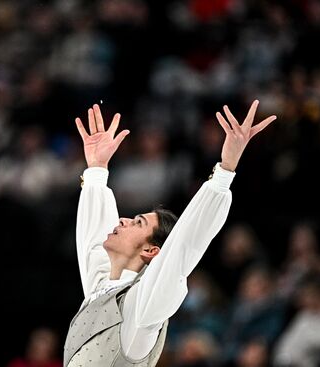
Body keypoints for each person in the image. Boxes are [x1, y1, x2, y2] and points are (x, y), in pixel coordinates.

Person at [63, 101, 277, 366]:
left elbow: (184, 244)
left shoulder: (142, 309)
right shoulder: (100, 288)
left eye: (138, 222)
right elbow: (92, 239)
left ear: (151, 251)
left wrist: (225, 169)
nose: (123, 219)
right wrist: (96, 168)